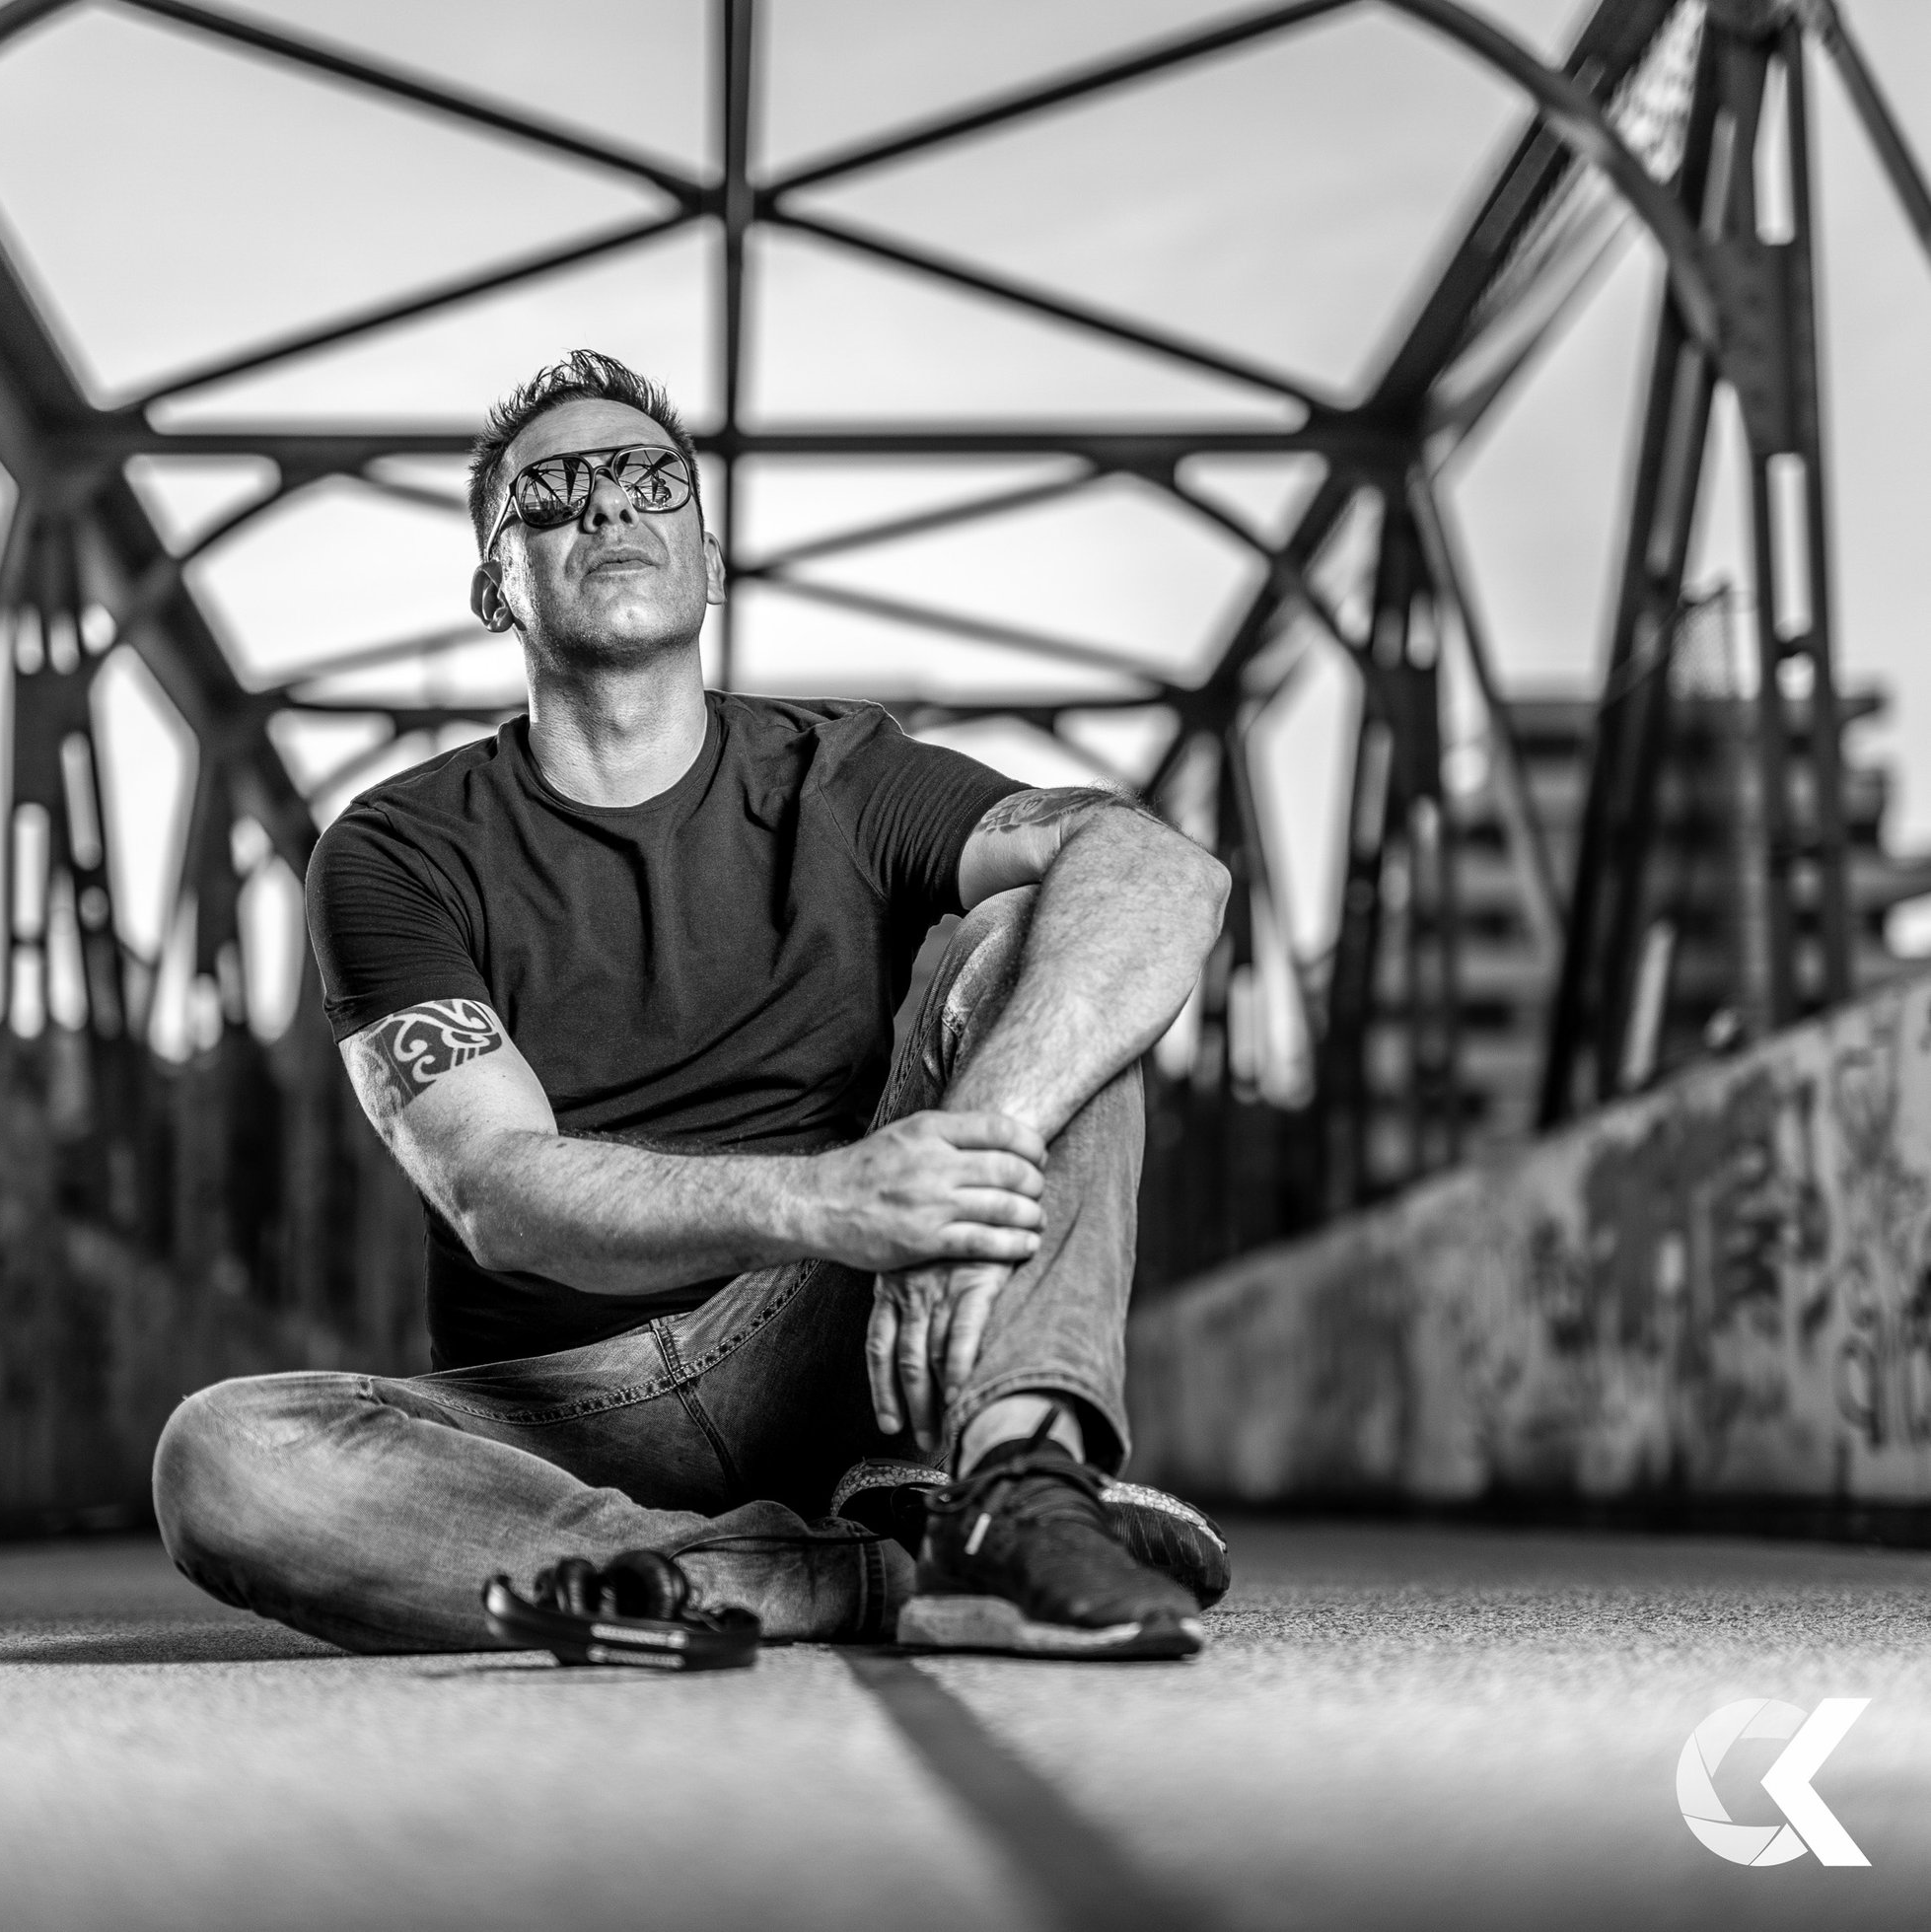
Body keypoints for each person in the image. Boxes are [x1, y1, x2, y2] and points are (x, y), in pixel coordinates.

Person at [153, 350, 1233, 1659]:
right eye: (551, 493)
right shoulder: (397, 850)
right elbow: (496, 1185)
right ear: (496, 583)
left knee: (1043, 933)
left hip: (837, 1342)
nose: (608, 509)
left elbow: (1160, 871)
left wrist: (980, 1138)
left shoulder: (847, 777)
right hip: (567, 1413)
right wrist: (835, 1198)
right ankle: (859, 1575)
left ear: (708, 559)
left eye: (650, 479)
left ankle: (1019, 1483)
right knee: (226, 1458)